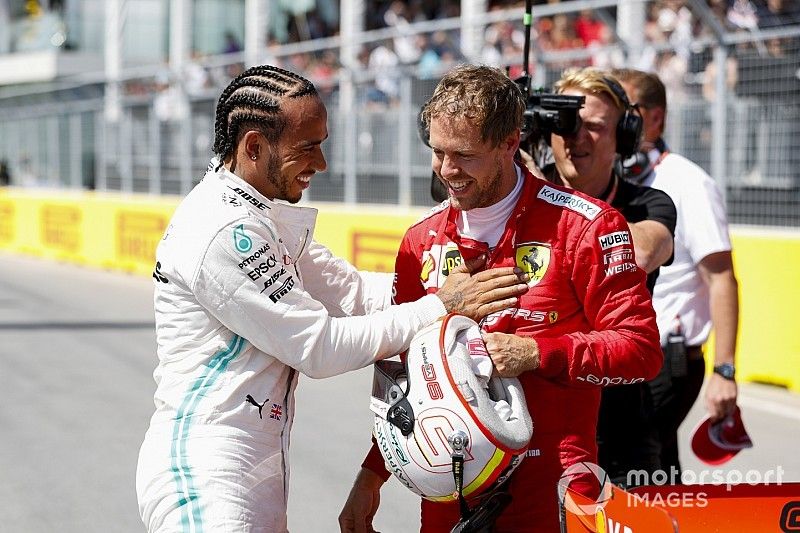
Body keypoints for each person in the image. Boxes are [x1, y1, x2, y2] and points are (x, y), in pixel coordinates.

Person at [135, 65, 530, 533]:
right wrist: (443, 306)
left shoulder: (259, 214)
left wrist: (448, 277)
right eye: (308, 147)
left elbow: (354, 294)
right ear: (255, 147)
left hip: (250, 460)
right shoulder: (224, 230)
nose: (321, 163)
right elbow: (319, 347)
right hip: (205, 467)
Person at [339, 64, 662, 533]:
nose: (448, 171)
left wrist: (537, 352)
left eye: (465, 155)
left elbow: (641, 351)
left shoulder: (587, 226)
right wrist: (371, 475)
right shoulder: (420, 243)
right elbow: (402, 383)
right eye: (437, 152)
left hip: (555, 491)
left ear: (511, 143)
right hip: (450, 492)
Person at [544, 68, 677, 486]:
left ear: (625, 136)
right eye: (564, 122)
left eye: (595, 127)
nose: (576, 137)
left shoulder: (648, 204)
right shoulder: (518, 196)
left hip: (621, 433)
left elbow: (634, 253)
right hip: (534, 428)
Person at [612, 68, 740, 480]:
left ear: (655, 117)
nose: (619, 123)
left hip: (669, 360)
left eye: (626, 111)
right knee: (656, 471)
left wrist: (724, 371)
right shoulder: (612, 176)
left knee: (634, 469)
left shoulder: (688, 183)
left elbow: (722, 278)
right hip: (627, 355)